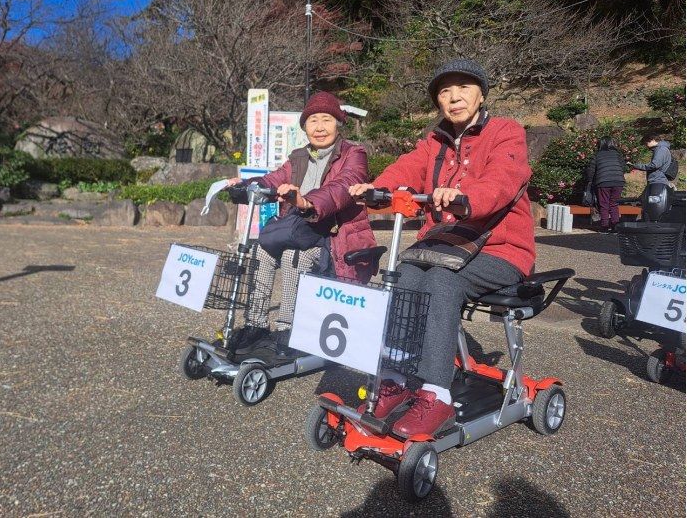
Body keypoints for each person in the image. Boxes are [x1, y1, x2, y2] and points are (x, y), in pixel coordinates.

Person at [348, 59, 535, 437]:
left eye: (463, 88)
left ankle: (436, 394)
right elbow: (405, 169)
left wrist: (467, 197)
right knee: (403, 277)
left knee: (442, 284)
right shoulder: (433, 142)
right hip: (444, 247)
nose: (454, 97)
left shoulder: (506, 132)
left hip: (500, 250)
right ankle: (398, 378)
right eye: (445, 92)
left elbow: (504, 177)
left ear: (482, 94)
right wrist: (376, 190)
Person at [228, 91, 377, 344]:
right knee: (262, 251)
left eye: (326, 120)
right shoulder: (298, 156)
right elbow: (273, 179)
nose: (319, 127)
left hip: (334, 235)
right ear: (305, 126)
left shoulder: (354, 153)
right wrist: (244, 184)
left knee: (292, 255)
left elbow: (345, 184)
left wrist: (308, 202)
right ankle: (256, 323)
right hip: (301, 230)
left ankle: (289, 327)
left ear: (338, 123)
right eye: (313, 120)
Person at [585, 137, 626, 233]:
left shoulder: (597, 155)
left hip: (603, 181)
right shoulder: (617, 154)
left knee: (604, 204)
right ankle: (615, 226)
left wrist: (590, 181)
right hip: (618, 181)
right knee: (614, 204)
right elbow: (623, 167)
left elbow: (591, 170)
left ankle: (605, 227)